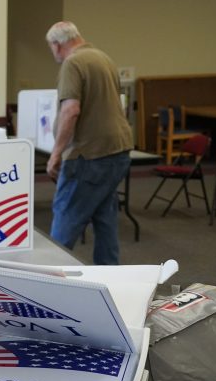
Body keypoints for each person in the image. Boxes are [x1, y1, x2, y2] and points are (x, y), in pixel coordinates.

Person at [45, 21, 133, 265]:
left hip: (89, 155)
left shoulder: (73, 63)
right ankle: (110, 276)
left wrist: (55, 154)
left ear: (57, 44)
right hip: (117, 150)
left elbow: (70, 110)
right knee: (105, 218)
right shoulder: (103, 58)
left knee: (66, 216)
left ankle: (49, 280)